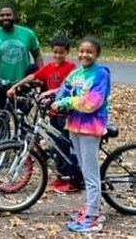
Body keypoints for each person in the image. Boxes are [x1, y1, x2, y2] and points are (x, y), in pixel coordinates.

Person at [7, 36, 80, 192]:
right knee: (55, 145)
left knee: (66, 145)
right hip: (53, 112)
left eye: (61, 52)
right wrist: (15, 86)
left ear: (67, 52)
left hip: (66, 113)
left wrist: (50, 92)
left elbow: (69, 86)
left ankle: (72, 179)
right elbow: (33, 76)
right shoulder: (49, 67)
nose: (58, 55)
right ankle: (61, 177)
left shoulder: (71, 67)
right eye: (56, 52)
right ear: (52, 52)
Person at [52, 36, 110, 233]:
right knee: (84, 168)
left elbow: (92, 101)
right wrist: (50, 97)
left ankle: (93, 215)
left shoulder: (101, 74)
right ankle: (91, 205)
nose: (85, 55)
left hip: (91, 127)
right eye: (82, 51)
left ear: (96, 54)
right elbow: (63, 91)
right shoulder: (76, 73)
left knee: (91, 172)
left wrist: (65, 103)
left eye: (90, 52)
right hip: (74, 125)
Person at [0, 5, 44, 113]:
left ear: (14, 16)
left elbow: (37, 55)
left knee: (22, 120)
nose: (5, 17)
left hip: (23, 83)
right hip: (0, 84)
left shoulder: (28, 34)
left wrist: (41, 73)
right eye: (2, 15)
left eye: (8, 15)